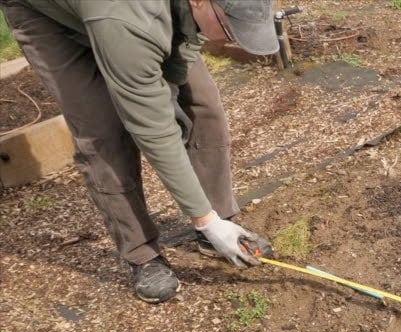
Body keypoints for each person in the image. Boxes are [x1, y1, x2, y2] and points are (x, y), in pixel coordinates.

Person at [0, 0, 278, 302]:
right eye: (228, 27)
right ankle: (142, 254)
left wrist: (170, 81)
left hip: (126, 16)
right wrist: (204, 219)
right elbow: (153, 129)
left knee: (202, 102)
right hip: (49, 14)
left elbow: (187, 38)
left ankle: (219, 226)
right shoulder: (126, 20)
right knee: (103, 132)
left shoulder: (200, 7)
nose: (231, 39)